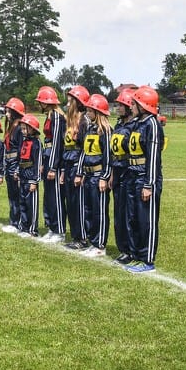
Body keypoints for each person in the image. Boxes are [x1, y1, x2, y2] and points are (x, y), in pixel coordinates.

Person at [124, 86, 164, 273]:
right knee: (132, 218)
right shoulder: (137, 123)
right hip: (132, 175)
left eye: (134, 103)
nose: (130, 106)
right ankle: (135, 255)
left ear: (143, 105)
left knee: (145, 220)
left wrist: (149, 184)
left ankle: (147, 260)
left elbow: (153, 157)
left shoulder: (152, 125)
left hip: (144, 178)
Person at [47, 85, 89, 246]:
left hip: (78, 165)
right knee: (70, 203)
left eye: (71, 101)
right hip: (68, 165)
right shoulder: (69, 122)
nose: (67, 104)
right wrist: (64, 170)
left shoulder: (84, 121)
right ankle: (76, 236)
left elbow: (84, 148)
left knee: (78, 203)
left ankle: (82, 238)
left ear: (79, 103)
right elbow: (66, 147)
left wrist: (79, 171)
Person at [74, 94, 112, 257]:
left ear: (98, 112)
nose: (87, 113)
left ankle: (100, 245)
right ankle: (92, 240)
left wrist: (104, 177)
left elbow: (109, 156)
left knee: (99, 211)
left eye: (90, 110)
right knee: (88, 209)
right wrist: (80, 172)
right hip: (88, 176)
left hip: (98, 175)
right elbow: (84, 152)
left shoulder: (106, 130)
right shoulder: (90, 129)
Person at [109, 88, 136, 265]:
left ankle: (129, 249)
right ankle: (122, 248)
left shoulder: (134, 127)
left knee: (128, 212)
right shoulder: (118, 126)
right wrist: (111, 173)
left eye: (121, 105)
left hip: (128, 171)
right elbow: (113, 152)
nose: (118, 108)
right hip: (117, 171)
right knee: (118, 212)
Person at [35, 86, 66, 240]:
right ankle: (51, 227)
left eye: (40, 101)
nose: (39, 104)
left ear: (46, 103)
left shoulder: (57, 117)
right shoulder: (49, 116)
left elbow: (57, 143)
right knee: (48, 196)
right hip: (48, 157)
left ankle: (59, 229)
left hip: (55, 160)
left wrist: (53, 166)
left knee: (56, 196)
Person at [13, 114, 42, 238]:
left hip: (31, 177)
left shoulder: (37, 143)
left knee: (31, 204)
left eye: (26, 128)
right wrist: (17, 171)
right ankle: (23, 226)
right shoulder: (24, 141)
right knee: (22, 202)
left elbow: (38, 162)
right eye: (22, 128)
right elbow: (20, 157)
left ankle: (32, 229)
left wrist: (35, 181)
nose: (23, 131)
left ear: (33, 129)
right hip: (23, 176)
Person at [1, 97, 25, 233]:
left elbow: (22, 150)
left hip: (15, 165)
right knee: (12, 195)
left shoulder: (19, 128)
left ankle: (19, 223)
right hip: (9, 164)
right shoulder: (11, 127)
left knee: (18, 195)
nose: (7, 114)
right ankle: (13, 221)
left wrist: (17, 168)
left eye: (9, 112)